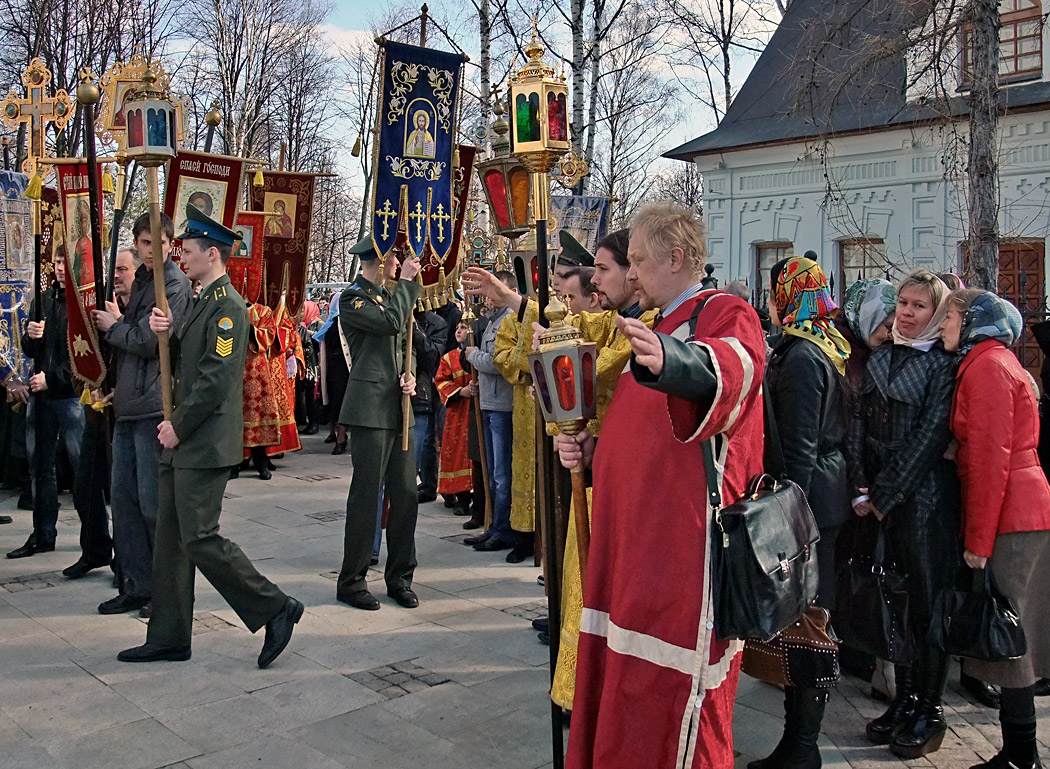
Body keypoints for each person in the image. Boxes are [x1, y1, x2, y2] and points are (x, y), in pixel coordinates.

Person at [556, 202, 766, 769]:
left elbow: (734, 367)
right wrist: (593, 453)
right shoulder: (657, 327)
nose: (634, 274)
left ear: (676, 259)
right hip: (633, 550)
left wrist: (675, 360)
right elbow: (642, 438)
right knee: (625, 689)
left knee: (667, 703)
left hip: (680, 556)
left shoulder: (724, 313)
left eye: (642, 262)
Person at [118, 203, 302, 667]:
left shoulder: (227, 310)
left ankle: (275, 606)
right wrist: (164, 331)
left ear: (213, 255)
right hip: (185, 442)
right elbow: (187, 359)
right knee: (171, 543)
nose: (181, 257)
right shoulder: (203, 302)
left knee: (199, 538)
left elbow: (215, 380)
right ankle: (169, 635)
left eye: (190, 250)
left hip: (203, 442)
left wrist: (177, 427)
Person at [846, 269, 960, 758]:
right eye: (903, 304)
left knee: (928, 602)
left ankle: (930, 710)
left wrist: (885, 494)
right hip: (878, 499)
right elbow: (856, 422)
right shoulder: (880, 357)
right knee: (894, 598)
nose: (908, 314)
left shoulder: (942, 367)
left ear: (935, 313)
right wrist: (859, 487)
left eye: (919, 306)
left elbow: (931, 437)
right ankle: (905, 698)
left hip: (925, 499)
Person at [941, 289, 1050, 769]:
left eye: (950, 316)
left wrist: (977, 544)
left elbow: (989, 461)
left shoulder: (986, 367)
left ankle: (1021, 756)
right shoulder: (995, 361)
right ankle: (1019, 753)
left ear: (972, 321)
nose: (944, 324)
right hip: (1023, 508)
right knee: (1014, 630)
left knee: (1008, 633)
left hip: (1010, 515)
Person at [753, 255, 852, 769]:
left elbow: (800, 449)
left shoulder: (802, 358)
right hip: (824, 500)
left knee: (809, 621)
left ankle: (802, 746)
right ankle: (799, 743)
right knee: (812, 618)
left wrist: (793, 522)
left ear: (786, 297)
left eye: (773, 294)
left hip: (810, 505)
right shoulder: (826, 346)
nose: (769, 304)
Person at [92, 213, 193, 612]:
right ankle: (136, 584)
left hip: (154, 404)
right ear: (138, 246)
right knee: (126, 501)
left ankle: (164, 589)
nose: (154, 250)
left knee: (154, 505)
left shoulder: (173, 284)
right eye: (146, 243)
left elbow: (155, 342)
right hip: (130, 404)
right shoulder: (143, 282)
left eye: (160, 242)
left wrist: (113, 325)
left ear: (172, 244)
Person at [335, 235, 422, 612]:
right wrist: (406, 283)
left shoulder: (392, 297)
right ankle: (352, 580)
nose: (398, 260)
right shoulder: (352, 298)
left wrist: (411, 375)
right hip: (369, 409)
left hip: (399, 407)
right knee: (367, 496)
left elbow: (407, 346)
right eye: (393, 255)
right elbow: (389, 324)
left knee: (405, 494)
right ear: (378, 259)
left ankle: (400, 577)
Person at [7, 249, 85, 559]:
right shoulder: (43, 298)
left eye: (68, 263)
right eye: (57, 263)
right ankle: (42, 534)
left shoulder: (83, 302)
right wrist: (30, 336)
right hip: (41, 397)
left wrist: (54, 380)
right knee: (40, 468)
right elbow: (30, 349)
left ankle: (95, 542)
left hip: (69, 397)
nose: (62, 269)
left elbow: (85, 356)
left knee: (83, 470)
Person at [463, 272, 523, 556]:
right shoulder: (491, 322)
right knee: (491, 470)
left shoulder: (508, 322)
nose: (486, 297)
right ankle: (493, 525)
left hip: (503, 406)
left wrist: (473, 355)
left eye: (491, 291)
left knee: (502, 474)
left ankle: (503, 529)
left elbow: (500, 362)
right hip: (488, 401)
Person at [434, 321, 474, 514]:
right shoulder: (449, 358)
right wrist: (460, 392)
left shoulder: (479, 353)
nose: (458, 331)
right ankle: (460, 496)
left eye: (464, 327)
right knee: (457, 452)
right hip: (458, 412)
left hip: (478, 410)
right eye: (457, 327)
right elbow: (441, 381)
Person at [410, 307, 448, 504]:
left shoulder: (436, 323)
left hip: (422, 390)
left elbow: (431, 357)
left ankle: (426, 485)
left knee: (423, 442)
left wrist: (415, 329)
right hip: (392, 392)